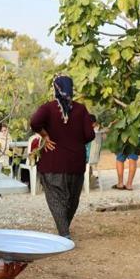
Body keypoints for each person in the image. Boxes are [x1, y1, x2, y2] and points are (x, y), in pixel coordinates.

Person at [30, 75, 95, 240]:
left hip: (53, 163)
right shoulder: (81, 109)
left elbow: (34, 122)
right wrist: (75, 140)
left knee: (56, 199)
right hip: (76, 163)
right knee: (71, 200)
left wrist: (45, 135)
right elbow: (90, 135)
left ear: (56, 89)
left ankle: (64, 233)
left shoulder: (47, 108)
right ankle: (64, 230)